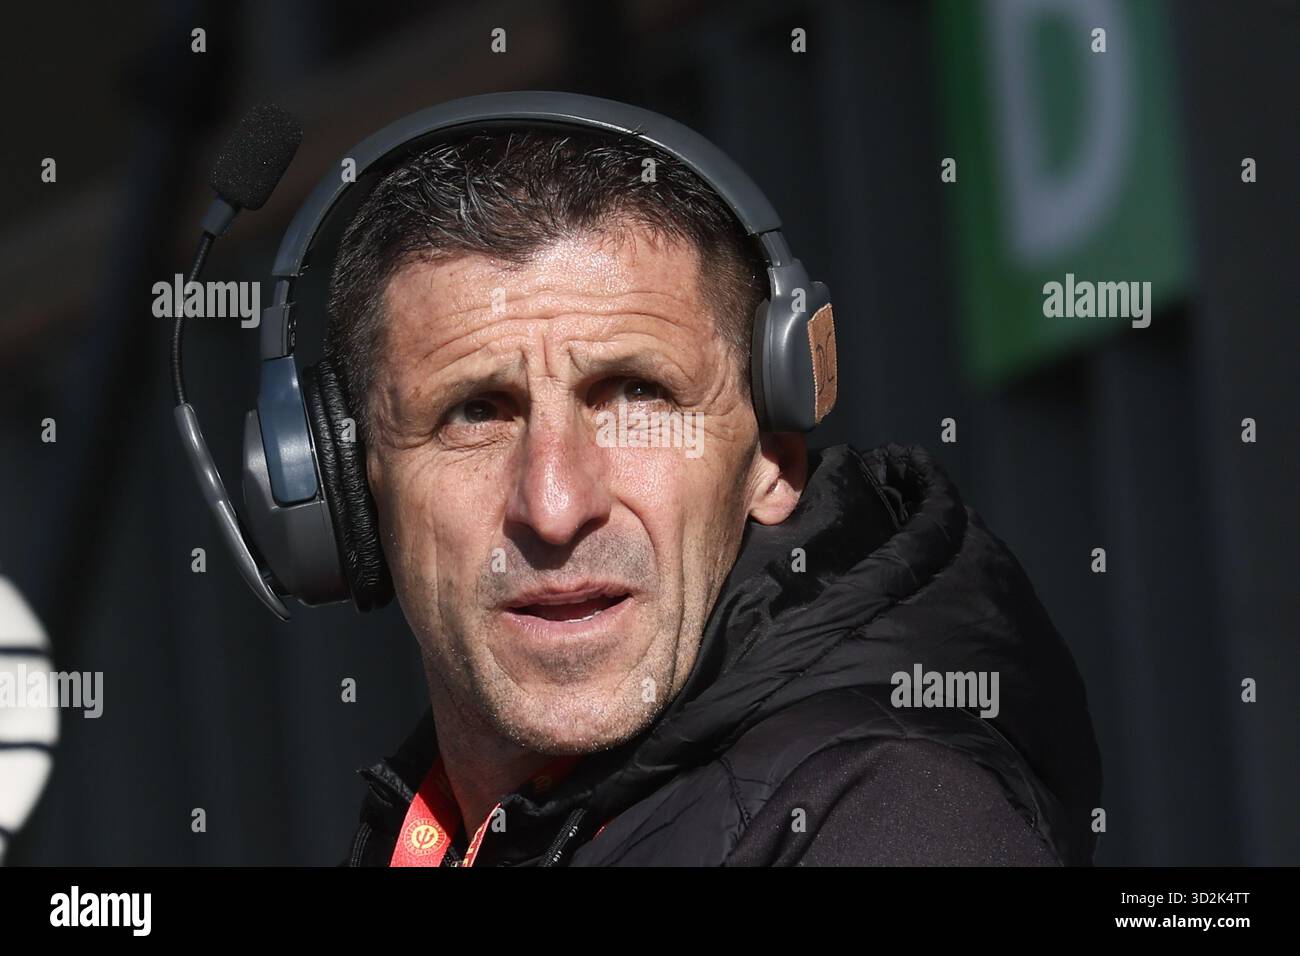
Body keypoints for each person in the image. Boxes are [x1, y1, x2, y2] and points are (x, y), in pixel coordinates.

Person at [329, 126, 1101, 867]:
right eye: (475, 412)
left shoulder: (896, 826)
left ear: (772, 459)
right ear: (350, 494)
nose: (555, 506)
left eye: (638, 395)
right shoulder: (435, 826)